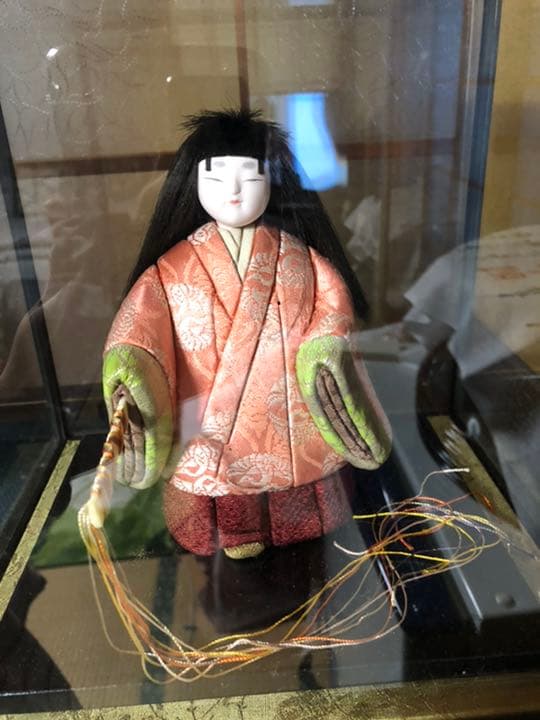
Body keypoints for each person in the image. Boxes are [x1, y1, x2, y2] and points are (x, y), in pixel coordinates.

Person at [97, 109, 391, 559]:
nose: (232, 190)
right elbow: (139, 331)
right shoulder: (171, 269)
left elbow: (334, 314)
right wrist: (131, 363)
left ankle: (301, 524)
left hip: (288, 417)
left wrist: (325, 348)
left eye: (250, 177)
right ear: (192, 184)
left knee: (300, 493)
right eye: (216, 178)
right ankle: (235, 534)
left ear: (273, 183)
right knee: (224, 498)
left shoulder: (302, 260)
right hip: (206, 425)